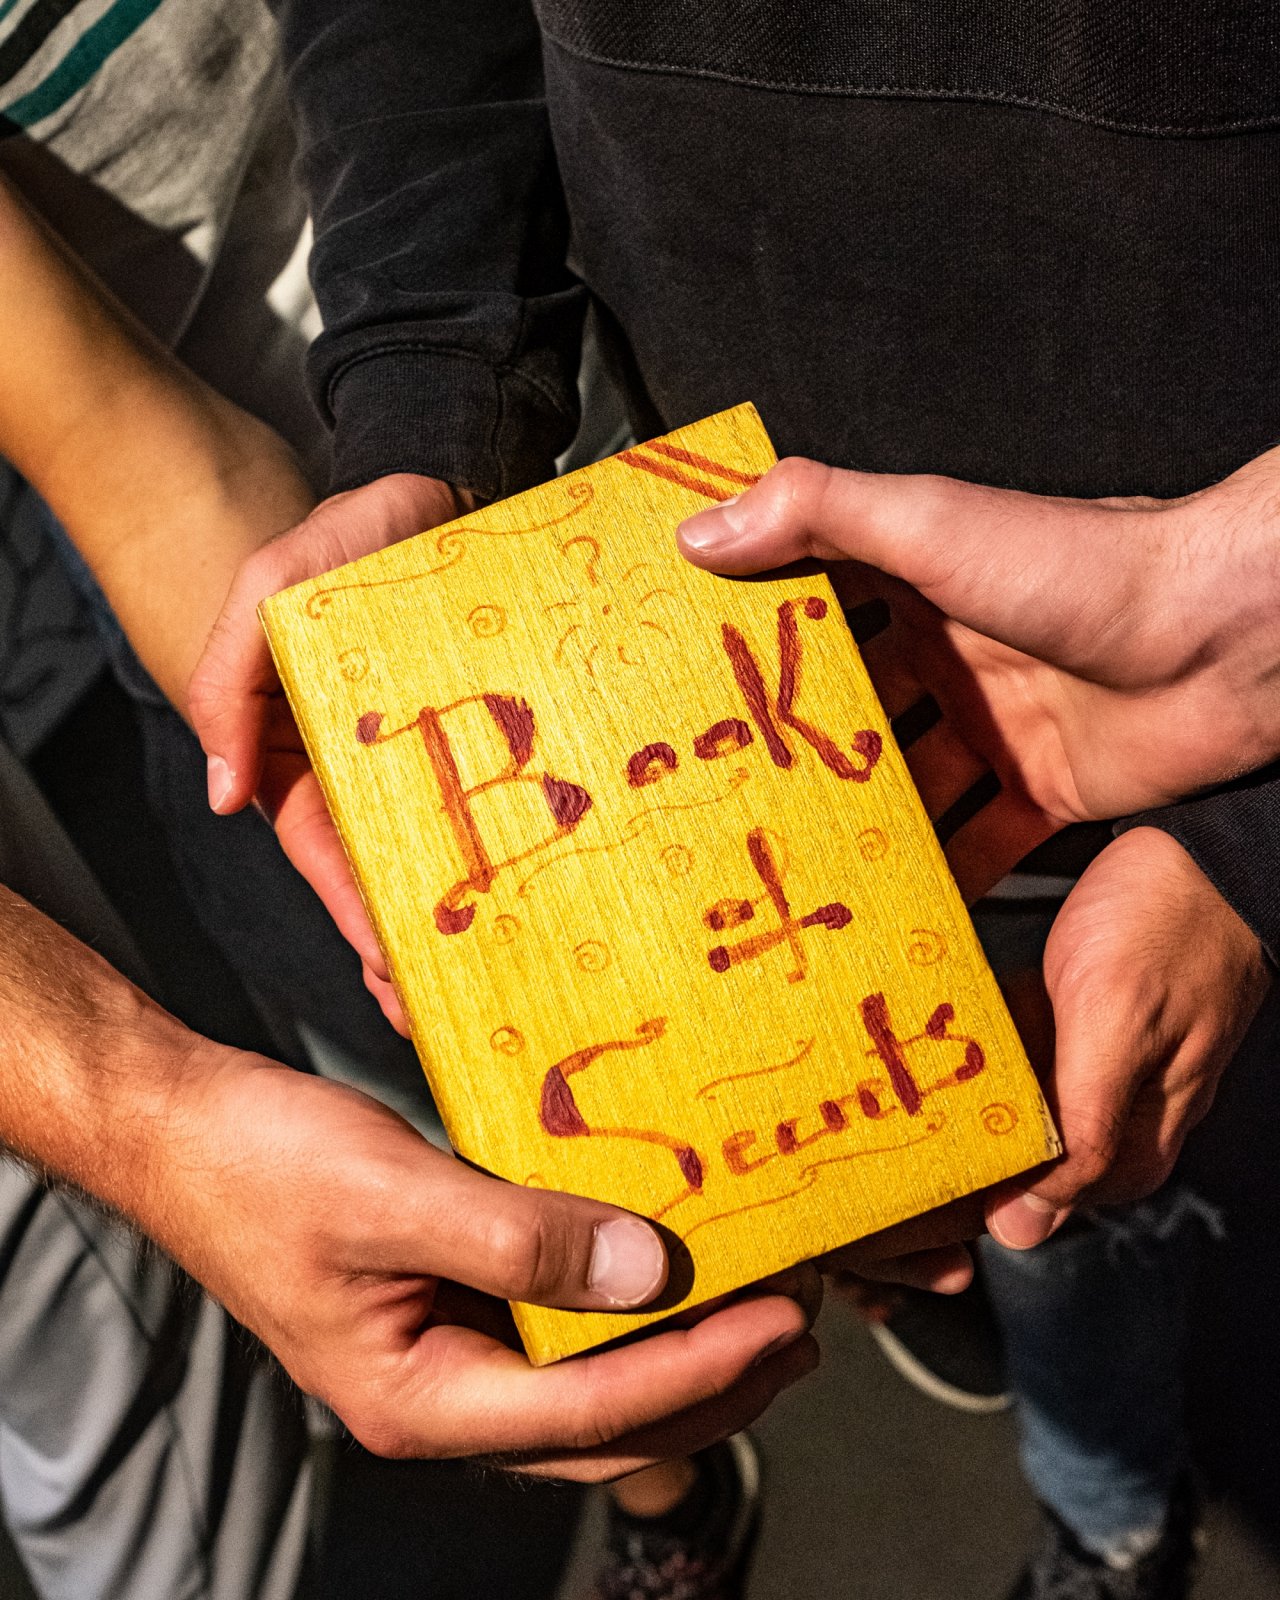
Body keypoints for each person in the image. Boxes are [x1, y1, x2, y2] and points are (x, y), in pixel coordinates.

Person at [186, 4, 1280, 1596]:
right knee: (912, 1150)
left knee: (1102, 1190)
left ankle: (1108, 1513)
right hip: (726, 633)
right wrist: (431, 415)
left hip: (1180, 667)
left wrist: (1252, 820)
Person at [0, 134, 982, 1596]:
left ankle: (867, 1181)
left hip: (484, 329)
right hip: (314, 567)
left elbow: (126, 451)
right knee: (461, 1111)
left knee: (816, 933)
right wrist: (140, 1113)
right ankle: (687, 1447)